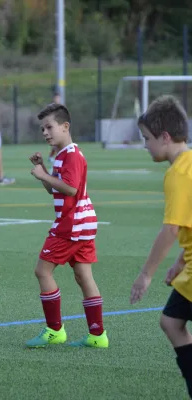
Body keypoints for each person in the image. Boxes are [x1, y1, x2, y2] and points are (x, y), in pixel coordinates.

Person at [27, 103, 108, 348]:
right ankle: (97, 335)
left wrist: (44, 175)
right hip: (83, 224)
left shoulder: (71, 155)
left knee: (42, 271)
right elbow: (55, 188)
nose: (45, 133)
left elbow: (71, 188)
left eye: (49, 127)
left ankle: (55, 330)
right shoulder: (63, 155)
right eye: (42, 129)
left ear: (65, 126)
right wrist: (43, 171)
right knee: (84, 276)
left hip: (71, 225)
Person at [130, 95, 192, 398]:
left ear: (165, 137)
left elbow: (170, 229)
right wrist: (180, 264)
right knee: (171, 321)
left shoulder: (178, 174)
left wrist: (146, 274)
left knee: (171, 321)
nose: (145, 146)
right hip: (190, 265)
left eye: (147, 139)